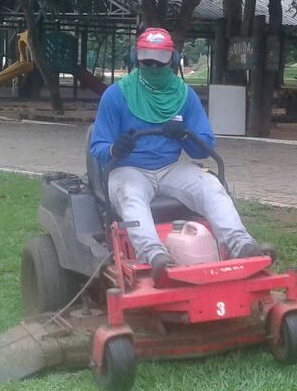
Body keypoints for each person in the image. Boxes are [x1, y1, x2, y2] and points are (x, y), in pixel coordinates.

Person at [89, 27, 274, 279]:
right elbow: (98, 147)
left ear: (173, 61)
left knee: (211, 185)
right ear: (136, 58)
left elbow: (204, 146)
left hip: (170, 167)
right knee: (130, 195)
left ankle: (241, 244)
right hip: (128, 168)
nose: (153, 67)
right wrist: (115, 148)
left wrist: (185, 134)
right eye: (147, 61)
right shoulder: (116, 95)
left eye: (160, 62)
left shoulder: (185, 96)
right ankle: (154, 255)